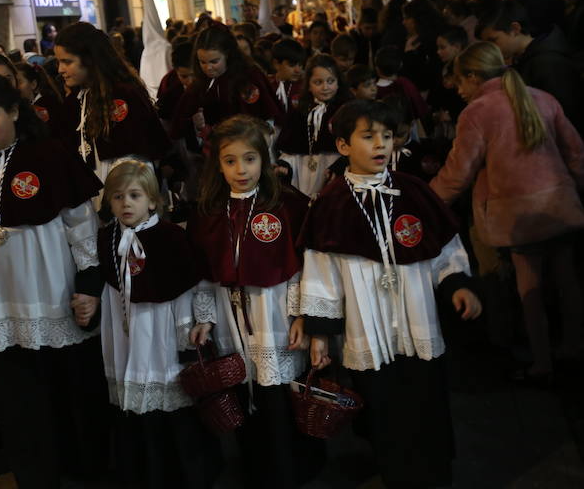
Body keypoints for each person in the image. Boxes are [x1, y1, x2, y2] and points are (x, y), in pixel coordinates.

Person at [300, 99, 482, 488]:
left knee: (427, 399)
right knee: (384, 408)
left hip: (417, 319)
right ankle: (397, 474)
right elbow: (321, 273)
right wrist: (320, 331)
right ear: (345, 145)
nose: (381, 144)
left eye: (386, 136)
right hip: (368, 327)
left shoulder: (413, 191)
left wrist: (457, 284)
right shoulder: (331, 203)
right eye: (369, 137)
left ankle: (435, 473)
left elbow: (444, 249)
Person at [0, 73, 110, 487]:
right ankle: (36, 476)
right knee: (19, 400)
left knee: (67, 391)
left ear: (15, 112)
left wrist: (89, 286)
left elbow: (82, 226)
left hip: (51, 291)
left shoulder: (49, 154)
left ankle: (84, 472)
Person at [431, 42, 584, 382]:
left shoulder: (477, 112)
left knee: (529, 291)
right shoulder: (541, 97)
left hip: (517, 216)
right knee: (568, 283)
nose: (458, 91)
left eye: (460, 82)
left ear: (473, 76)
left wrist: (424, 201)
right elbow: (575, 152)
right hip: (559, 206)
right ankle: (573, 348)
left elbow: (458, 174)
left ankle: (542, 362)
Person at [188, 115, 320, 489]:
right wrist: (205, 318)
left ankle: (290, 469)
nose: (241, 169)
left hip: (273, 311)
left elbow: (297, 266)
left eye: (249, 159)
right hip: (231, 315)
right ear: (218, 164)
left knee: (280, 396)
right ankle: (258, 469)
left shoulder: (286, 205)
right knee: (244, 394)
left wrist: (298, 314)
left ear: (264, 159)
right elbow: (204, 271)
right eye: (230, 161)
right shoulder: (209, 211)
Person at [97, 160, 222, 489]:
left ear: (152, 200)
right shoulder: (108, 239)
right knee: (133, 406)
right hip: (125, 331)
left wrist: (204, 319)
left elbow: (197, 282)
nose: (126, 203)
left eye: (135, 195)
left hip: (164, 329)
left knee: (172, 402)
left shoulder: (169, 237)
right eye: (118, 197)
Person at [55, 22, 170, 182]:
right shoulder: (76, 99)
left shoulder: (123, 94)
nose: (60, 69)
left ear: (90, 59)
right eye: (59, 62)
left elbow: (137, 156)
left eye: (67, 62)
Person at [477, 0, 584, 136]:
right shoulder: (526, 59)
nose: (491, 48)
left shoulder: (548, 63)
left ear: (515, 29)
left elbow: (568, 118)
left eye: (493, 40)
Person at [172, 23, 281, 147]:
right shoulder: (199, 84)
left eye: (214, 61)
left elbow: (267, 119)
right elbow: (181, 128)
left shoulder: (249, 77)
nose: (208, 68)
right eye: (202, 62)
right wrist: (197, 126)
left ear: (228, 55)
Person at [275, 54, 350, 196]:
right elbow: (290, 149)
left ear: (338, 82)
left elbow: (354, 146)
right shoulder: (300, 111)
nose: (325, 87)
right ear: (308, 84)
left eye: (330, 81)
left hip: (334, 171)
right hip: (304, 173)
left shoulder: (347, 110)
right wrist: (285, 165)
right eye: (318, 82)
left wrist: (342, 164)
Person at [374, 45, 430, 127]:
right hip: (408, 129)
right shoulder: (405, 84)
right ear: (400, 65)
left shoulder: (373, 90)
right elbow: (420, 109)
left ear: (377, 69)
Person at [15, 61, 66, 137]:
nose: (15, 87)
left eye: (18, 82)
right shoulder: (27, 107)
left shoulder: (44, 105)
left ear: (33, 84)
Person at [269, 38, 306, 115]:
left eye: (300, 65)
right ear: (276, 64)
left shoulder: (305, 87)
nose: (298, 70)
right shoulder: (267, 84)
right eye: (291, 65)